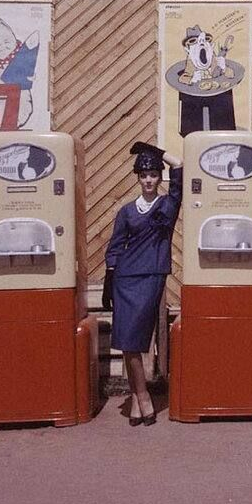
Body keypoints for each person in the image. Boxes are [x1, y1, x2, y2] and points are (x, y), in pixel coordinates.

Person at [103, 143, 183, 426]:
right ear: (137, 178)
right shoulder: (126, 211)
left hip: (151, 276)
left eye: (153, 174)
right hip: (124, 278)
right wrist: (109, 279)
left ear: (159, 177)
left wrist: (155, 151)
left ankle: (142, 396)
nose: (148, 180)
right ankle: (140, 397)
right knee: (127, 342)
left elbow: (180, 166)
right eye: (144, 175)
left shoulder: (168, 205)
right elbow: (115, 247)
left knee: (135, 337)